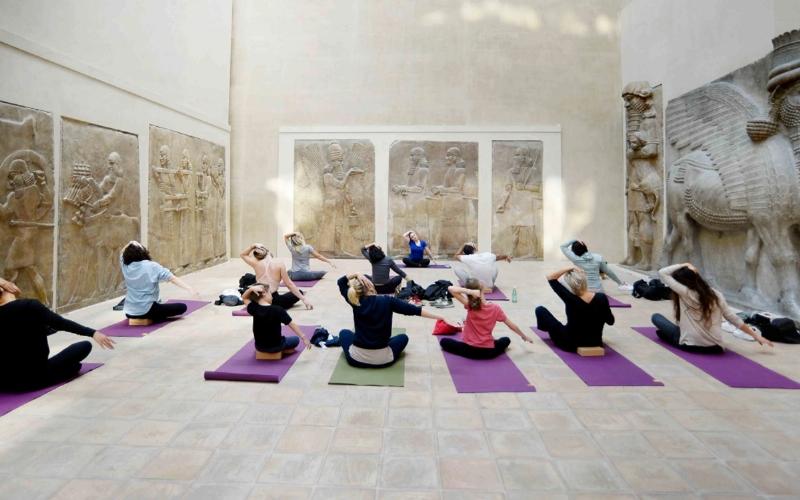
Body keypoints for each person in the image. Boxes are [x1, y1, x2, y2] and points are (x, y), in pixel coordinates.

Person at [0, 277, 115, 391]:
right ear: (10, 289)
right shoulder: (30, 305)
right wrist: (93, 333)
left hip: (5, 382)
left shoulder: (28, 306)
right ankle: (65, 371)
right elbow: (61, 323)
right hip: (34, 378)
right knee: (84, 346)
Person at [652, 263, 772, 353]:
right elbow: (732, 318)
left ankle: (671, 338)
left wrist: (684, 264)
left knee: (656, 318)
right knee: (668, 331)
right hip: (716, 348)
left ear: (681, 283)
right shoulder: (716, 294)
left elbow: (662, 272)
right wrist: (756, 336)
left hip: (691, 346)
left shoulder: (685, 292)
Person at [337, 273, 449, 368]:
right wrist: (442, 317)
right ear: (370, 285)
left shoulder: (355, 301)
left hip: (356, 359)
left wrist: (356, 274)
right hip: (384, 360)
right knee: (403, 338)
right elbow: (415, 310)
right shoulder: (387, 301)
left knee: (344, 333)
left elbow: (341, 282)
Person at [440, 279, 533, 359]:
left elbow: (450, 288)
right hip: (488, 352)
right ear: (483, 289)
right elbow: (512, 325)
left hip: (469, 350)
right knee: (506, 340)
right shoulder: (495, 308)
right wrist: (524, 336)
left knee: (444, 341)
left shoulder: (470, 305)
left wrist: (470, 292)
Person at [535, 266, 615, 352]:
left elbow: (551, 277)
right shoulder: (601, 298)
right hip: (595, 342)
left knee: (540, 310)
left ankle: (549, 331)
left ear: (570, 286)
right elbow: (610, 321)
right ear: (585, 281)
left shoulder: (569, 297)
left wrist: (570, 267)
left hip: (570, 343)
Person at [120, 241, 198, 322]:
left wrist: (130, 243)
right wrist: (189, 288)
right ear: (143, 252)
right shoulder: (152, 266)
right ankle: (156, 316)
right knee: (182, 307)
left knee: (160, 307)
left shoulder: (125, 266)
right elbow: (171, 278)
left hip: (129, 313)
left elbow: (122, 252)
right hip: (148, 311)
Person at [242, 283, 311, 358]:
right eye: (270, 293)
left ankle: (280, 351)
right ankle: (283, 350)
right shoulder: (278, 309)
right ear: (264, 293)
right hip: (277, 346)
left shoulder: (253, 308)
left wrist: (250, 289)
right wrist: (304, 337)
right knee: (295, 339)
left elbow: (244, 298)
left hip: (260, 347)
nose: (272, 297)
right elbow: (292, 324)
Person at [240, 243, 313, 310]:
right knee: (299, 292)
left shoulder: (256, 263)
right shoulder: (279, 264)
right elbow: (289, 284)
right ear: (268, 252)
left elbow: (243, 255)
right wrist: (304, 299)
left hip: (258, 299)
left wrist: (252, 246)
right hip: (274, 300)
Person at [560, 239, 631, 292]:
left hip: (584, 292)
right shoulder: (598, 257)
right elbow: (609, 272)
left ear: (574, 251)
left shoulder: (575, 259)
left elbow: (562, 246)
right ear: (585, 247)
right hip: (599, 291)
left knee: (566, 276)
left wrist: (574, 239)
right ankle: (622, 285)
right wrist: (620, 283)